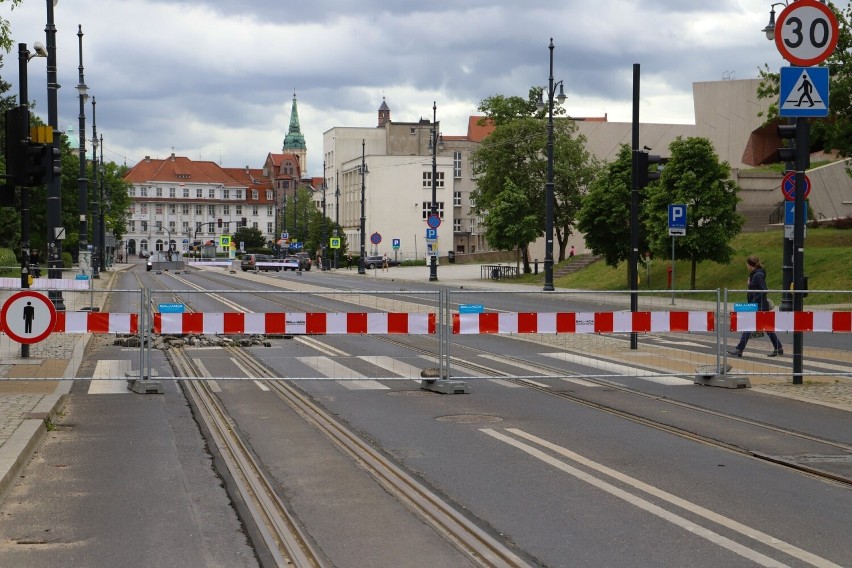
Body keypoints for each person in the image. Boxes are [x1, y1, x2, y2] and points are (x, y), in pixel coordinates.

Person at [728, 255, 783, 358]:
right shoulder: (756, 273)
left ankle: (739, 349)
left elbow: (764, 289)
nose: (746, 266)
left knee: (748, 326)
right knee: (766, 327)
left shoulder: (757, 275)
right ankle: (778, 347)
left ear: (750, 265)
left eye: (747, 264)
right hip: (759, 305)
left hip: (758, 305)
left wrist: (754, 300)